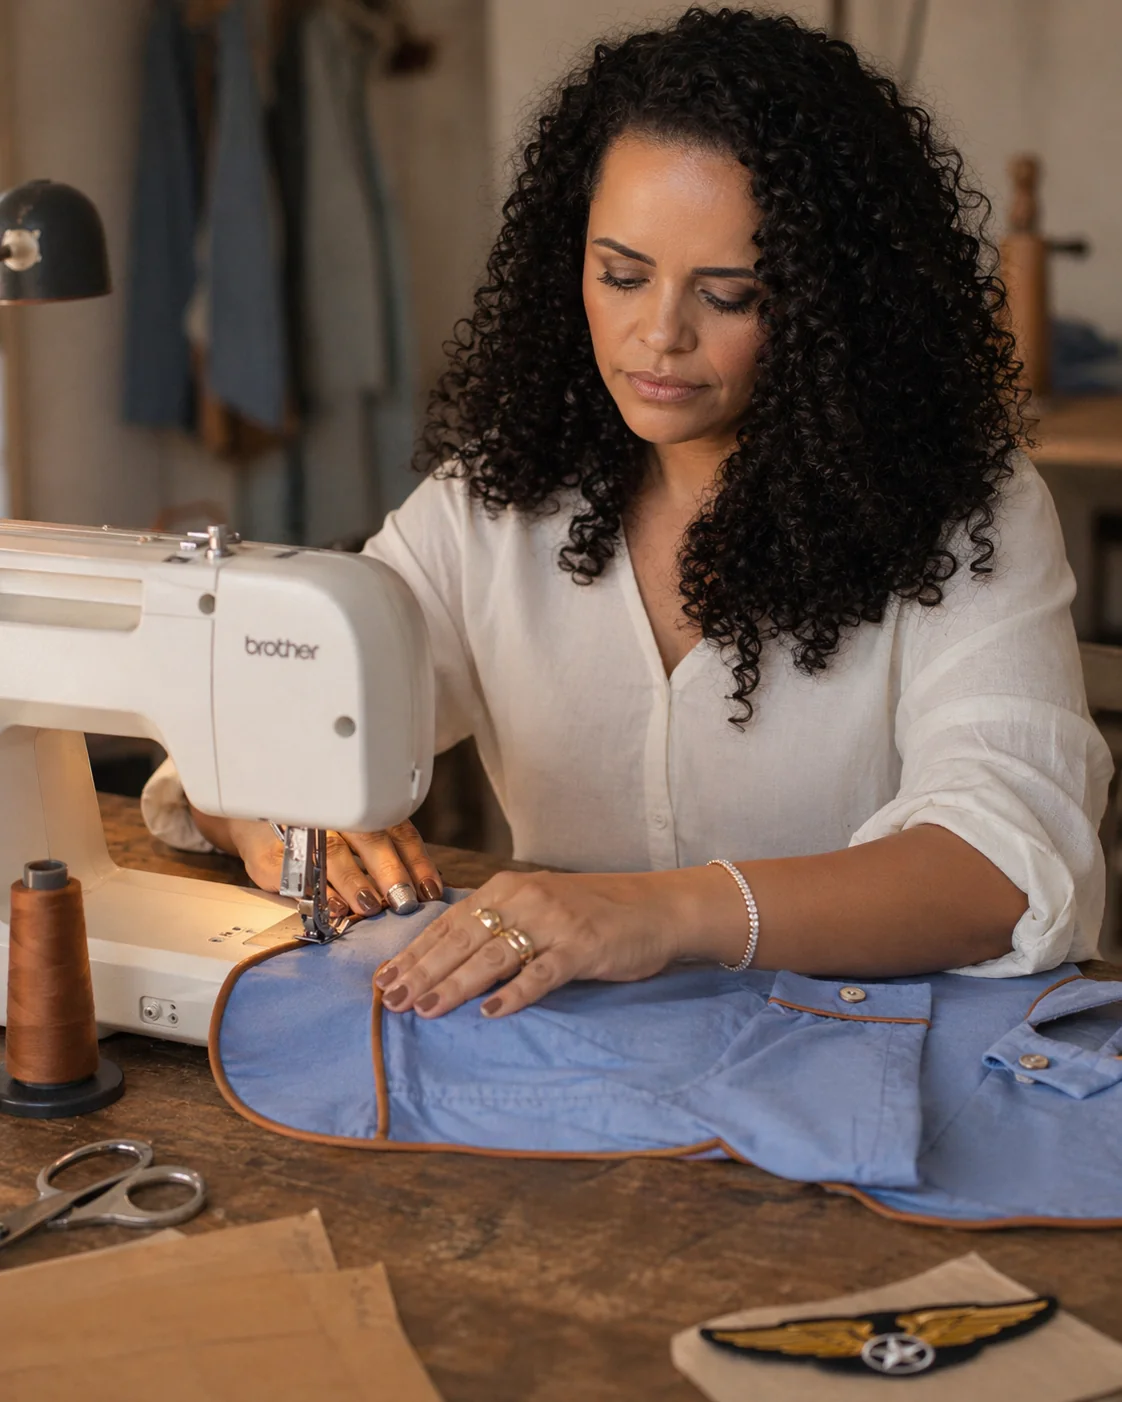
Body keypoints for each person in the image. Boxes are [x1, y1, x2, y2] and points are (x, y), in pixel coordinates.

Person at [144, 6, 1111, 1024]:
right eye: (622, 274)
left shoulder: (962, 516)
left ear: (832, 304)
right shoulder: (494, 506)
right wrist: (269, 814)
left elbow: (1004, 862)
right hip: (572, 1063)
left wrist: (662, 913)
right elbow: (241, 729)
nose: (659, 335)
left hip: (858, 1051)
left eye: (729, 294)